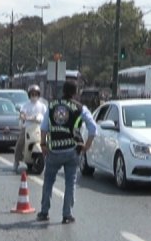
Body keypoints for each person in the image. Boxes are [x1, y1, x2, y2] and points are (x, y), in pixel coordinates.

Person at [37, 80, 98, 224]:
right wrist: (87, 146)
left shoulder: (51, 106)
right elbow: (93, 128)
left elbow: (44, 127)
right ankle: (67, 214)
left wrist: (43, 144)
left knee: (48, 181)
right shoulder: (80, 108)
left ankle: (44, 211)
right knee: (70, 182)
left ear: (62, 91)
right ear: (75, 92)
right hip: (72, 150)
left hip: (54, 150)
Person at [14, 84, 47, 172]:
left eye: (36, 94)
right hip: (27, 128)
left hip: (39, 128)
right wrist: (23, 116)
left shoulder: (42, 106)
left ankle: (47, 159)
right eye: (32, 94)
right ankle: (16, 161)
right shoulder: (26, 105)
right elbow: (22, 113)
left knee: (47, 142)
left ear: (38, 95)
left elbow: (46, 116)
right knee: (20, 143)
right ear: (29, 95)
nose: (34, 96)